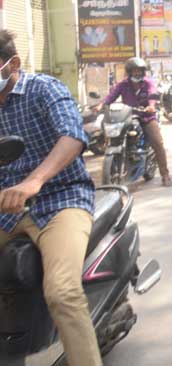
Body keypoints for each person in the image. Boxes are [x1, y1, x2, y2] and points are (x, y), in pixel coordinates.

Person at [0, 29, 102, 366]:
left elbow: (72, 136)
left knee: (62, 293)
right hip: (6, 208)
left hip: (61, 199)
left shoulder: (44, 89)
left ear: (11, 64)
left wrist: (34, 182)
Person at [96, 57, 172, 187]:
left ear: (143, 72)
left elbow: (152, 94)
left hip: (146, 117)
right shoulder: (123, 84)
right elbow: (111, 96)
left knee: (158, 143)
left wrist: (151, 105)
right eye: (134, 71)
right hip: (128, 117)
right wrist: (102, 105)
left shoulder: (148, 83)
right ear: (130, 72)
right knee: (115, 136)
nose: (137, 73)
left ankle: (165, 175)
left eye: (139, 71)